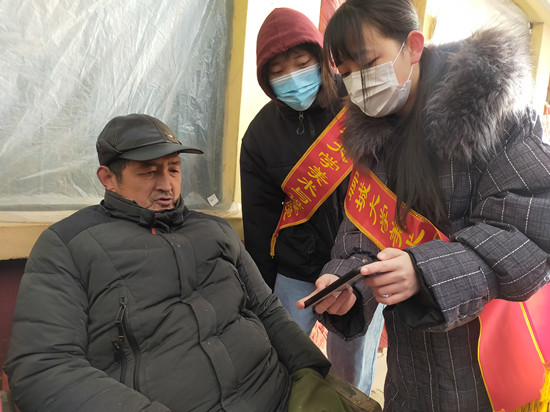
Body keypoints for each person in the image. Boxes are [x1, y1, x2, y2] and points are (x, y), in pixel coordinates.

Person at [4, 113, 358, 412]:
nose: (167, 185)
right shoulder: (68, 245)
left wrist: (312, 373)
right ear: (108, 178)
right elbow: (43, 366)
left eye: (174, 169)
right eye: (149, 172)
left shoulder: (215, 230)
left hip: (276, 394)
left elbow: (267, 309)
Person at [297, 0, 550, 411]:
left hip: (487, 367)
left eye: (369, 63)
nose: (360, 83)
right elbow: (358, 238)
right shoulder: (369, 142)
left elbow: (530, 231)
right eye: (347, 73)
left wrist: (423, 271)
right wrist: (346, 284)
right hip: (409, 372)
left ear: (413, 46)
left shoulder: (497, 112)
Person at [239, 7, 384, 395]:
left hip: (358, 267)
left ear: (322, 60)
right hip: (296, 268)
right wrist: (261, 289)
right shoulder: (259, 135)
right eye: (278, 71)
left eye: (302, 64)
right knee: (281, 360)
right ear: (266, 79)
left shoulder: (358, 105)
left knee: (351, 373)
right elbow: (259, 221)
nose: (292, 78)